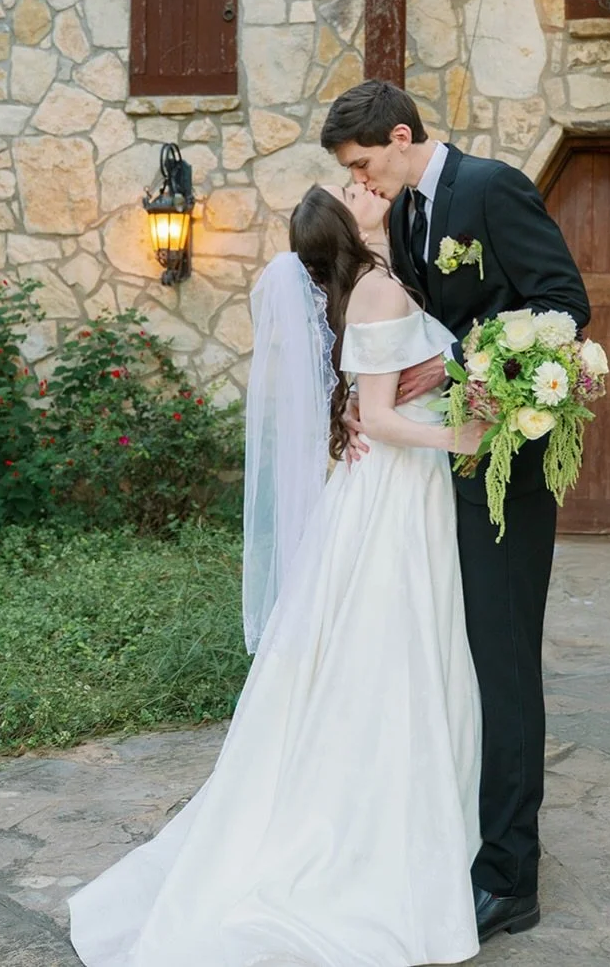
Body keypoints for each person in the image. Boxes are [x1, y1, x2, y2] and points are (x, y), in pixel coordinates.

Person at [67, 182, 490, 967]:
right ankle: (380, 838)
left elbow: (374, 405)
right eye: (356, 188)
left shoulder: (373, 287)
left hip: (388, 495)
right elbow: (386, 419)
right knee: (391, 655)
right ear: (346, 226)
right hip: (396, 499)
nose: (370, 188)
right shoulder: (379, 294)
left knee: (391, 652)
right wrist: (466, 434)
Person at [320, 81, 591, 944]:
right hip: (441, 471)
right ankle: (462, 834)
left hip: (507, 463)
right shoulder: (404, 217)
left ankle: (511, 876)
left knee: (503, 658)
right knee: (457, 655)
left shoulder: (489, 187)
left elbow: (562, 305)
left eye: (365, 162)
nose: (364, 180)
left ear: (401, 137)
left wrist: (459, 364)